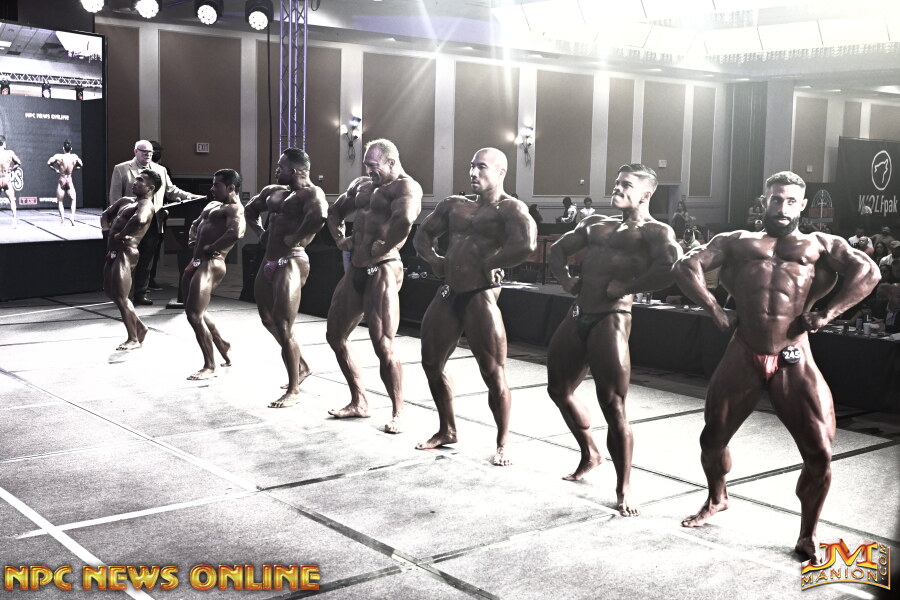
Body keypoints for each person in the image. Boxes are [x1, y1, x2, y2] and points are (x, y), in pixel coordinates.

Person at [673, 171, 880, 564]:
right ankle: (717, 497)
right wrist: (714, 309)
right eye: (776, 199)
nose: (782, 207)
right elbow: (685, 266)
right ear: (763, 201)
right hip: (744, 349)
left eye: (790, 201)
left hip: (794, 353)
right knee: (712, 440)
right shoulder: (736, 241)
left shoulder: (820, 244)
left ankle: (808, 534)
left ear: (802, 205)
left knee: (820, 452)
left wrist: (828, 313)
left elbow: (869, 272)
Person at [546, 163, 681, 516]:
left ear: (646, 194)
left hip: (612, 317)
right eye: (617, 182)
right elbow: (557, 250)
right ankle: (590, 452)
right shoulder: (596, 223)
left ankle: (624, 486)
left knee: (613, 405)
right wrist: (565, 280)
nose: (617, 188)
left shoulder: (655, 231)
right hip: (578, 311)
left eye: (626, 185)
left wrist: (628, 287)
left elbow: (672, 267)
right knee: (558, 389)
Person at [413, 148, 536, 465]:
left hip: (482, 293)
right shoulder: (454, 205)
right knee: (430, 363)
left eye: (481, 167)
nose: (473, 172)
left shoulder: (509, 208)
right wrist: (434, 259)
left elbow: (527, 243)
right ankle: (447, 429)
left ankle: (503, 442)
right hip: (449, 290)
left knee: (493, 373)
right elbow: (422, 234)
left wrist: (493, 262)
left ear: (500, 173)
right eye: (471, 166)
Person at [325, 139, 423, 433]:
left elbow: (405, 219)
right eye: (366, 165)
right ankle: (359, 401)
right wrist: (339, 238)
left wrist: (387, 244)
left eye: (373, 165)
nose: (368, 170)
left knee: (383, 344)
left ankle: (398, 411)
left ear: (391, 162)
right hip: (356, 268)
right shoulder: (362, 185)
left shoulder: (406, 187)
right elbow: (334, 211)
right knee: (335, 335)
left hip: (383, 268)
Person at [245, 148, 327, 408]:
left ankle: (293, 390)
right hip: (269, 259)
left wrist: (297, 237)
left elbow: (320, 216)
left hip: (292, 260)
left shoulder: (312, 193)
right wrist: (260, 232)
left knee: (283, 324)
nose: (276, 170)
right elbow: (250, 210)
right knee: (267, 318)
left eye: (280, 167)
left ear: (294, 170)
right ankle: (302, 366)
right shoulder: (273, 191)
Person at [109, 140, 202, 305]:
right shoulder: (122, 169)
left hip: (153, 222)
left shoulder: (160, 170)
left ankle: (140, 294)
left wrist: (190, 196)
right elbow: (115, 198)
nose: (148, 155)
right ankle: (124, 295)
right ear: (135, 151)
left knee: (147, 260)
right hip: (131, 222)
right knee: (127, 259)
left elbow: (171, 191)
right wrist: (118, 222)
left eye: (150, 152)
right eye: (144, 152)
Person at [182, 169, 246, 380]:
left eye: (216, 185)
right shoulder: (212, 205)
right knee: (193, 310)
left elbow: (237, 233)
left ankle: (210, 366)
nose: (211, 189)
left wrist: (213, 247)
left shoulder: (235, 209)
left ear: (231, 187)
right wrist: (193, 239)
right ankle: (222, 343)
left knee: (194, 315)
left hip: (212, 263)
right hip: (196, 261)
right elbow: (195, 224)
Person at [100, 169, 161, 351]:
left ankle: (133, 338)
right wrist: (105, 229)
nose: (135, 182)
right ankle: (140, 327)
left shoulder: (146, 205)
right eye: (136, 179)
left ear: (150, 188)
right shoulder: (125, 201)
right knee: (110, 291)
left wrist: (122, 234)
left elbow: (140, 220)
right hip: (113, 251)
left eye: (140, 180)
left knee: (121, 296)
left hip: (126, 253)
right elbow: (105, 214)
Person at [47, 140, 83, 225]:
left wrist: (55, 169)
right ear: (71, 148)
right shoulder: (74, 157)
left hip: (62, 179)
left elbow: (49, 163)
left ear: (63, 148)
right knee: (73, 199)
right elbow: (81, 164)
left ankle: (62, 220)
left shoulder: (58, 156)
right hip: (69, 179)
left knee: (60, 201)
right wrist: (74, 168)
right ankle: (72, 217)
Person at [0, 135, 22, 227]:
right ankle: (14, 221)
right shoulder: (9, 153)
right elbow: (19, 162)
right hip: (6, 179)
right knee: (12, 200)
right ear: (4, 143)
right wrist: (12, 169)